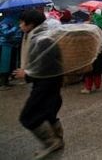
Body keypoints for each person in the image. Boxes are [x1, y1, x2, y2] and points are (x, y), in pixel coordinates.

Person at [13, 10, 64, 159]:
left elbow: (46, 66)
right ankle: (58, 140)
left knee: (28, 116)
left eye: (22, 22)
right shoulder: (40, 35)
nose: (20, 25)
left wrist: (27, 74)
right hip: (50, 83)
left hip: (45, 84)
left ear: (31, 24)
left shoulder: (41, 39)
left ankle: (51, 142)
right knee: (49, 112)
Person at [81, 9, 102, 94]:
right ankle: (97, 85)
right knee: (97, 68)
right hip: (100, 50)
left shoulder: (91, 26)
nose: (90, 16)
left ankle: (88, 88)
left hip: (90, 50)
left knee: (89, 69)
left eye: (91, 14)